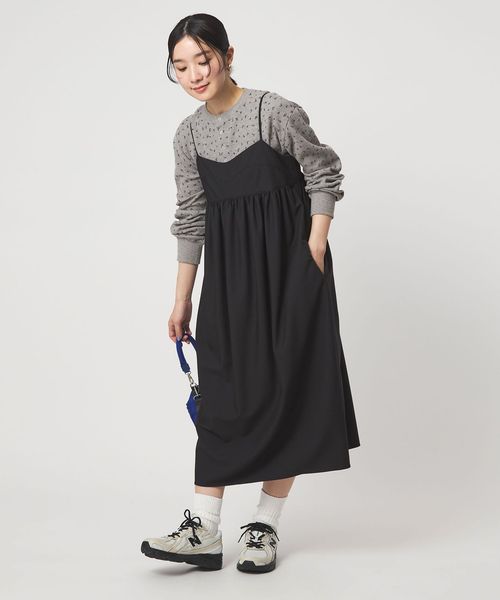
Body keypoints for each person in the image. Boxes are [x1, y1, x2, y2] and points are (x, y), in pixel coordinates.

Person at [141, 13, 360, 574]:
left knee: (289, 389)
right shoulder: (188, 135)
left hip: (291, 269)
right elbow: (191, 216)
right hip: (230, 278)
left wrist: (313, 250)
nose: (194, 74)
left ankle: (264, 524)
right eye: (181, 66)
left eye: (203, 59)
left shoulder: (273, 111)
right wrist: (182, 298)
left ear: (228, 55)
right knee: (222, 391)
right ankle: (204, 528)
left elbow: (323, 172)